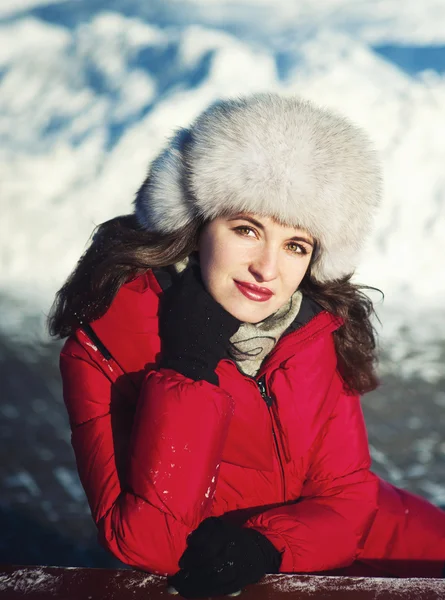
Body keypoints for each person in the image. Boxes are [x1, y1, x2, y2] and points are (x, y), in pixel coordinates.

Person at [49, 93, 445, 598]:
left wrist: (267, 546)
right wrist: (186, 367)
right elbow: (148, 543)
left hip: (397, 543)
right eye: (246, 229)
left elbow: (349, 497)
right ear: (195, 227)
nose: (267, 268)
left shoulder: (315, 331)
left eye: (295, 245)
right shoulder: (106, 346)